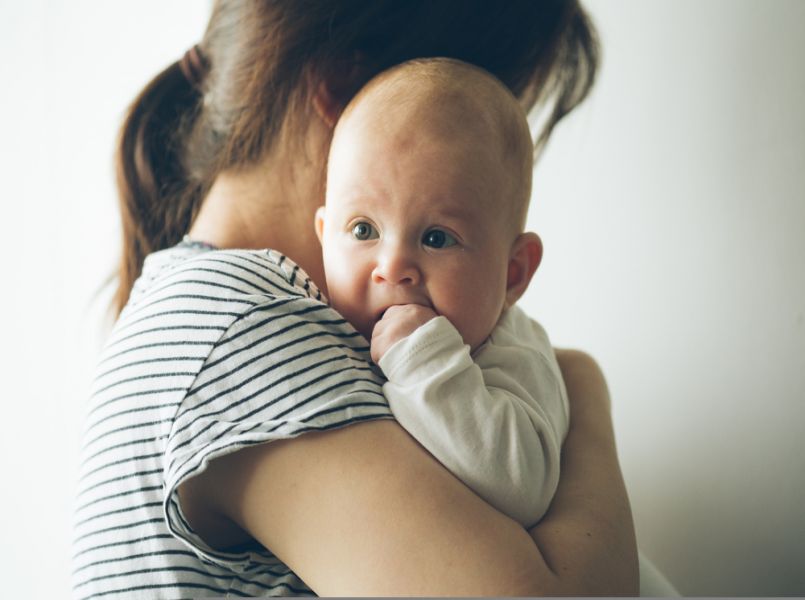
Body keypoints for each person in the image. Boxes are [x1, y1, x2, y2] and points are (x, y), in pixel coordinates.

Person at [72, 1, 641, 598]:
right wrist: (581, 388)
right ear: (352, 89)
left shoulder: (228, 311)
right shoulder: (238, 321)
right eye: (462, 100)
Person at [316, 57, 566, 527]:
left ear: (513, 274)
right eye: (363, 229)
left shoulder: (513, 356)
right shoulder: (317, 323)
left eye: (436, 238)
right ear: (324, 235)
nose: (391, 267)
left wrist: (424, 360)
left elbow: (522, 488)